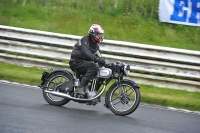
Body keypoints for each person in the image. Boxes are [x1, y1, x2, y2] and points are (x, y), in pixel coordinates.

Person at [69, 24, 106, 96]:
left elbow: (100, 56)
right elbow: (86, 53)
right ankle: (80, 88)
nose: (101, 36)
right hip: (76, 62)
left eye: (101, 35)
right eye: (99, 34)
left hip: (84, 63)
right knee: (93, 66)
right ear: (94, 33)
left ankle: (91, 91)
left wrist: (106, 63)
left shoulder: (95, 46)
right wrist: (96, 59)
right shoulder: (84, 40)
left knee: (100, 70)